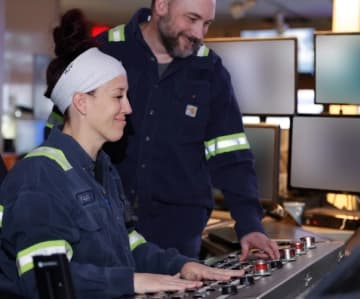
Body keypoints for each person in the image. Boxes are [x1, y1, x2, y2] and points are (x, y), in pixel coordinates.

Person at [0, 9, 245, 299]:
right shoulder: (40, 176)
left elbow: (129, 245)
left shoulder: (103, 169)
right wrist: (131, 281)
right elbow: (45, 281)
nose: (128, 108)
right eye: (118, 96)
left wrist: (181, 264)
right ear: (81, 102)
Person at [47, 0, 279, 259]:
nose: (199, 33)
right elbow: (61, 136)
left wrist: (250, 225)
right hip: (103, 224)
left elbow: (231, 156)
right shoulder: (103, 51)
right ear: (161, 6)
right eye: (191, 19)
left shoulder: (210, 71)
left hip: (178, 233)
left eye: (207, 24)